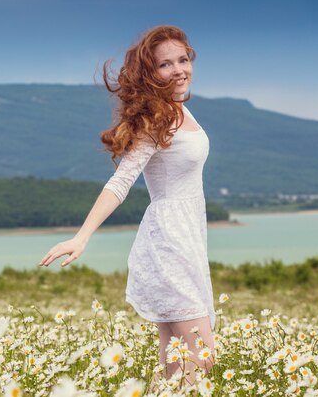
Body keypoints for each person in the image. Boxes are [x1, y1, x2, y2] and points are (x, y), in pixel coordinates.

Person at [39, 25, 216, 388]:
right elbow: (121, 182)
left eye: (183, 60)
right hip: (169, 244)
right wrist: (81, 237)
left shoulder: (183, 111)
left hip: (189, 239)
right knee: (202, 357)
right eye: (166, 65)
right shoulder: (157, 120)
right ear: (151, 73)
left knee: (176, 368)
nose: (179, 70)